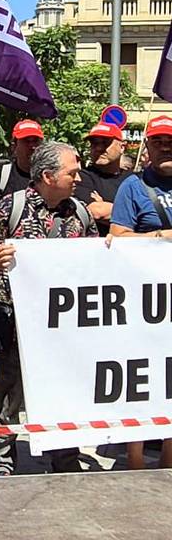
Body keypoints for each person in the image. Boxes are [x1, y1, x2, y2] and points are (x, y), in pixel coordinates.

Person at [0, 141, 97, 477]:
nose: (78, 177)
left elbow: (96, 260)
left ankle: (65, 458)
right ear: (47, 176)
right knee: (9, 391)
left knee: (63, 389)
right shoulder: (10, 208)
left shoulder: (80, 214)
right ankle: (0, 459)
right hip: (15, 322)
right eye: (72, 172)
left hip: (62, 325)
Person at [109, 115, 172, 470]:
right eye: (159, 140)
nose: (166, 145)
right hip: (142, 301)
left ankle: (168, 456)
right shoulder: (132, 186)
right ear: (147, 147)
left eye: (171, 140)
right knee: (141, 376)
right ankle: (134, 457)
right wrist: (163, 238)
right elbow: (118, 235)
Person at [75, 122, 130, 236]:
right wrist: (137, 211)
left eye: (106, 143)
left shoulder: (134, 179)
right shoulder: (81, 177)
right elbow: (97, 212)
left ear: (122, 147)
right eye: (94, 143)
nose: (99, 148)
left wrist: (109, 207)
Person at [0, 119, 43, 214]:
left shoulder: (51, 177)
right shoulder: (0, 177)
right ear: (14, 146)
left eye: (35, 141)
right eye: (26, 141)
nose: (32, 146)